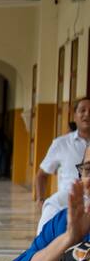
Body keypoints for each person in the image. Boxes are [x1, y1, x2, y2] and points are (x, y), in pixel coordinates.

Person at [34, 97, 90, 233]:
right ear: (74, 115)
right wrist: (41, 199)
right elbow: (41, 175)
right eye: (82, 110)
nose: (87, 114)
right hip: (66, 201)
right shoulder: (61, 144)